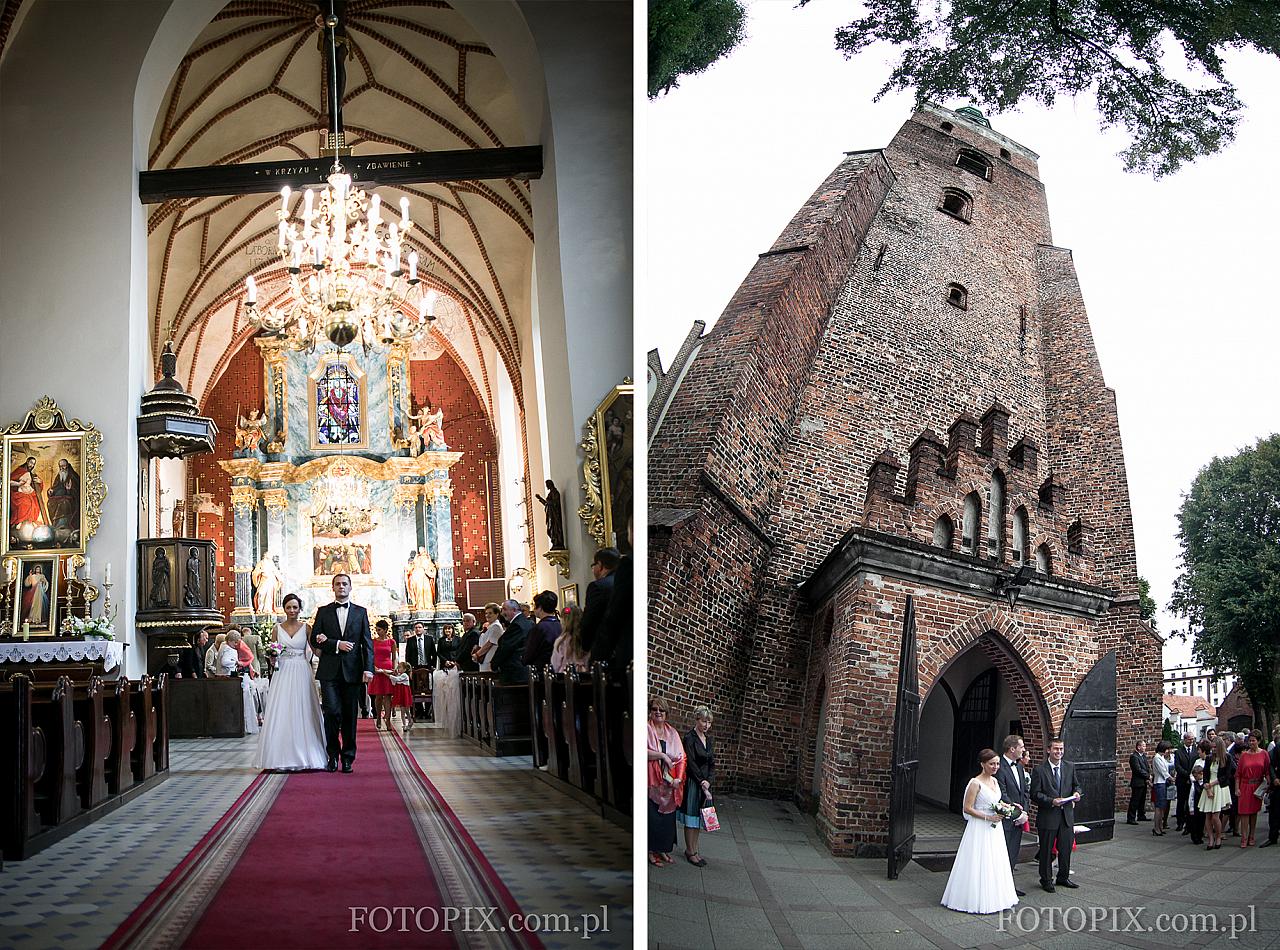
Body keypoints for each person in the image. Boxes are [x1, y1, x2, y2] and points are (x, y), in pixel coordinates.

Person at [941, 748, 1020, 914]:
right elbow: (967, 808)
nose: (995, 767)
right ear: (983, 764)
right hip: (979, 826)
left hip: (994, 828)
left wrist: (1005, 808)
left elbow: (997, 800)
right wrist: (988, 817)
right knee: (977, 860)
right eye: (992, 764)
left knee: (995, 860)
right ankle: (972, 897)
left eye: (997, 764)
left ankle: (996, 897)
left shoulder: (996, 782)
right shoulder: (975, 783)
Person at [254, 593, 327, 770]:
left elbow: (316, 652)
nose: (292, 610)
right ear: (284, 609)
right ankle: (280, 756)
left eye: (295, 607)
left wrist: (325, 643)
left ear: (300, 609)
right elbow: (272, 651)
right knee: (283, 709)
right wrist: (272, 657)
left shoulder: (307, 628)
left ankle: (307, 753)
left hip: (302, 670)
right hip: (283, 672)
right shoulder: (277, 629)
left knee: (303, 707)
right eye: (289, 607)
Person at [310, 573, 374, 773]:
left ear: (350, 587)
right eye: (337, 584)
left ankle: (348, 757)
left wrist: (368, 668)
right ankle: (332, 755)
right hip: (329, 671)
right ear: (333, 587)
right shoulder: (323, 612)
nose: (341, 587)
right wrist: (336, 644)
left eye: (344, 584)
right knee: (331, 713)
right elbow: (314, 639)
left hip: (353, 671)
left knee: (349, 715)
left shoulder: (361, 612)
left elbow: (367, 643)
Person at [1030, 737, 1081, 893]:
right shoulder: (1039, 770)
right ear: (1048, 750)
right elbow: (1034, 794)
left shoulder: (1070, 767)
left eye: (1061, 749)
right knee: (1046, 850)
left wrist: (1077, 793)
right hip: (1048, 816)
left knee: (1065, 849)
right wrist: (1052, 801)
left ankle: (1063, 877)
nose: (1059, 752)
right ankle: (1046, 879)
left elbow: (1076, 785)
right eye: (1056, 749)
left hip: (1066, 816)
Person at [647, 697, 685, 868]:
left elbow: (681, 757)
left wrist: (678, 778)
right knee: (652, 818)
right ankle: (649, 851)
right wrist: (661, 755)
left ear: (666, 713)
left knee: (666, 819)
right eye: (655, 709)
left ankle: (662, 849)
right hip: (651, 782)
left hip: (669, 784)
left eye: (661, 710)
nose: (658, 712)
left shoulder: (672, 733)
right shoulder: (646, 729)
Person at [678, 706, 715, 868]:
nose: (706, 725)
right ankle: (690, 851)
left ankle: (695, 850)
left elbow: (712, 763)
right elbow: (691, 764)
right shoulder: (689, 738)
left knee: (700, 818)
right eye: (703, 721)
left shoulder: (709, 740)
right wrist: (701, 781)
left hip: (705, 784)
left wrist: (709, 781)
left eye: (709, 722)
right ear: (696, 719)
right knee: (691, 817)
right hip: (694, 783)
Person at [995, 735, 1029, 897]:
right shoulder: (998, 767)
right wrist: (1015, 812)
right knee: (1000, 853)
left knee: (1012, 853)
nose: (1024, 750)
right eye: (1021, 747)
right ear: (1012, 749)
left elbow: (1024, 792)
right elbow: (1001, 793)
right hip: (1005, 818)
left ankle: (1008, 887)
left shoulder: (1020, 767)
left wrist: (1024, 812)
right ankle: (996, 886)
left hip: (1018, 819)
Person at [578, 547, 620, 656]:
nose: (593, 569)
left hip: (605, 648)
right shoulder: (626, 582)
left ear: (600, 565)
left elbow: (590, 620)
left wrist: (584, 647)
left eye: (593, 565)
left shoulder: (598, 586)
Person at [1234, 729, 1270, 847]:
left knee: (1254, 813)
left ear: (1259, 741)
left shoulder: (1264, 753)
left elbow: (1267, 771)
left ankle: (1252, 836)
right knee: (1244, 813)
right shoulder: (1244, 755)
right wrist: (1237, 789)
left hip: (1257, 787)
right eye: (1249, 741)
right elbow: (1237, 774)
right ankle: (1244, 838)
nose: (1251, 743)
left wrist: (1268, 785)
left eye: (1253, 741)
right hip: (1245, 786)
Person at [1198, 737, 1234, 850]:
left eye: (1215, 747)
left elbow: (1227, 776)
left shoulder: (1227, 757)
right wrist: (1207, 788)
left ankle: (1218, 836)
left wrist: (1212, 784)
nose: (1213, 750)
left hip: (1219, 787)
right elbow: (1205, 774)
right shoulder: (1209, 759)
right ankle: (1210, 839)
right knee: (1207, 815)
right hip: (1209, 787)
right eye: (1212, 747)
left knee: (1215, 816)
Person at [491, 600, 532, 684]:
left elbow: (506, 648)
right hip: (522, 671)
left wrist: (494, 664)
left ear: (514, 610)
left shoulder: (517, 625)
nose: (502, 613)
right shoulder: (526, 622)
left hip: (514, 673)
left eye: (504, 609)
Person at [367, 619, 396, 731]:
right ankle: (378, 716)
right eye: (376, 629)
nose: (377, 631)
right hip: (377, 668)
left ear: (385, 630)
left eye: (379, 630)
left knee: (388, 695)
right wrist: (372, 667)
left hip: (388, 669)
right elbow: (370, 656)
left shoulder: (391, 642)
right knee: (378, 696)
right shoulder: (373, 641)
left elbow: (394, 657)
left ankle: (388, 720)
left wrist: (394, 668)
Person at [522, 590, 559, 671]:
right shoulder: (560, 625)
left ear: (540, 608)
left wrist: (524, 659)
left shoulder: (539, 628)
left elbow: (529, 653)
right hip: (558, 668)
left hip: (542, 670)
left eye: (535, 606)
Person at [551, 605, 589, 673]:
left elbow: (556, 665)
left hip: (566, 676)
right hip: (586, 675)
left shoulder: (561, 641)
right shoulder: (587, 638)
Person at [45, 458, 79, 535]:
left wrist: (69, 490)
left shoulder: (73, 476)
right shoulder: (59, 475)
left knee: (64, 503)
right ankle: (55, 524)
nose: (62, 468)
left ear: (67, 465)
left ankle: (63, 525)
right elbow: (55, 487)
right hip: (58, 497)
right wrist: (51, 491)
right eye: (60, 466)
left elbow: (77, 490)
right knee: (50, 503)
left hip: (70, 498)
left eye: (63, 466)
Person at [1174, 732, 1196, 833]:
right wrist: (1187, 774)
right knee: (1181, 802)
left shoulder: (1195, 751)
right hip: (1182, 780)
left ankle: (1189, 824)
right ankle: (1180, 822)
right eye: (1189, 739)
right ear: (1184, 740)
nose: (1191, 741)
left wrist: (1192, 775)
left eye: (1192, 739)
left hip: (1193, 780)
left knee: (1190, 802)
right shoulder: (1179, 752)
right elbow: (1177, 766)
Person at [1260, 735, 1280, 848]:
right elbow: (1271, 764)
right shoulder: (1278, 747)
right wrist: (1274, 778)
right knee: (1274, 812)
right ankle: (1272, 837)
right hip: (1278, 785)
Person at [1151, 740, 1172, 835]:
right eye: (1167, 749)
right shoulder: (1157, 758)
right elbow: (1163, 772)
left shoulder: (1162, 757)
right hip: (1159, 783)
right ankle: (1156, 827)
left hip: (1162, 783)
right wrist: (1172, 778)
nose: (1169, 751)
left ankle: (1160, 826)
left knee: (1162, 806)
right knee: (1158, 807)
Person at [1127, 739, 1150, 824]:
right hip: (1137, 782)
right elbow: (1138, 770)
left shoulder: (1143, 756)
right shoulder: (1134, 757)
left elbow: (1146, 767)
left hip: (1143, 782)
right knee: (1135, 801)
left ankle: (1141, 815)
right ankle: (1131, 818)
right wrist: (1147, 776)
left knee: (1142, 800)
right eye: (1143, 746)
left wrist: (1148, 776)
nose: (1145, 747)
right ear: (1138, 747)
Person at [474, 603, 503, 671]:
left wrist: (477, 654)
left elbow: (489, 644)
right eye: (486, 613)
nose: (487, 615)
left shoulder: (496, 626)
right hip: (484, 659)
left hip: (490, 658)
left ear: (497, 614)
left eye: (490, 613)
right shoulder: (490, 626)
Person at [390, 661, 415, 734]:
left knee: (406, 711)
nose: (398, 668)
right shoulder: (399, 675)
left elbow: (397, 680)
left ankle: (410, 721)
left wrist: (388, 675)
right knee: (402, 711)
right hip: (401, 695)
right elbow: (394, 682)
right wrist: (394, 675)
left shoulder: (404, 675)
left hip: (405, 695)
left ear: (404, 669)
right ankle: (404, 724)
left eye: (400, 667)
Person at [1186, 763, 1206, 845]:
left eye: (1196, 776)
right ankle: (1195, 837)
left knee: (1202, 822)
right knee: (1195, 823)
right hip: (1196, 806)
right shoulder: (1194, 784)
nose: (1195, 778)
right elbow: (1191, 797)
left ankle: (1200, 836)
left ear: (1201, 774)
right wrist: (1191, 808)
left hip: (1203, 806)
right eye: (1194, 776)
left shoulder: (1205, 783)